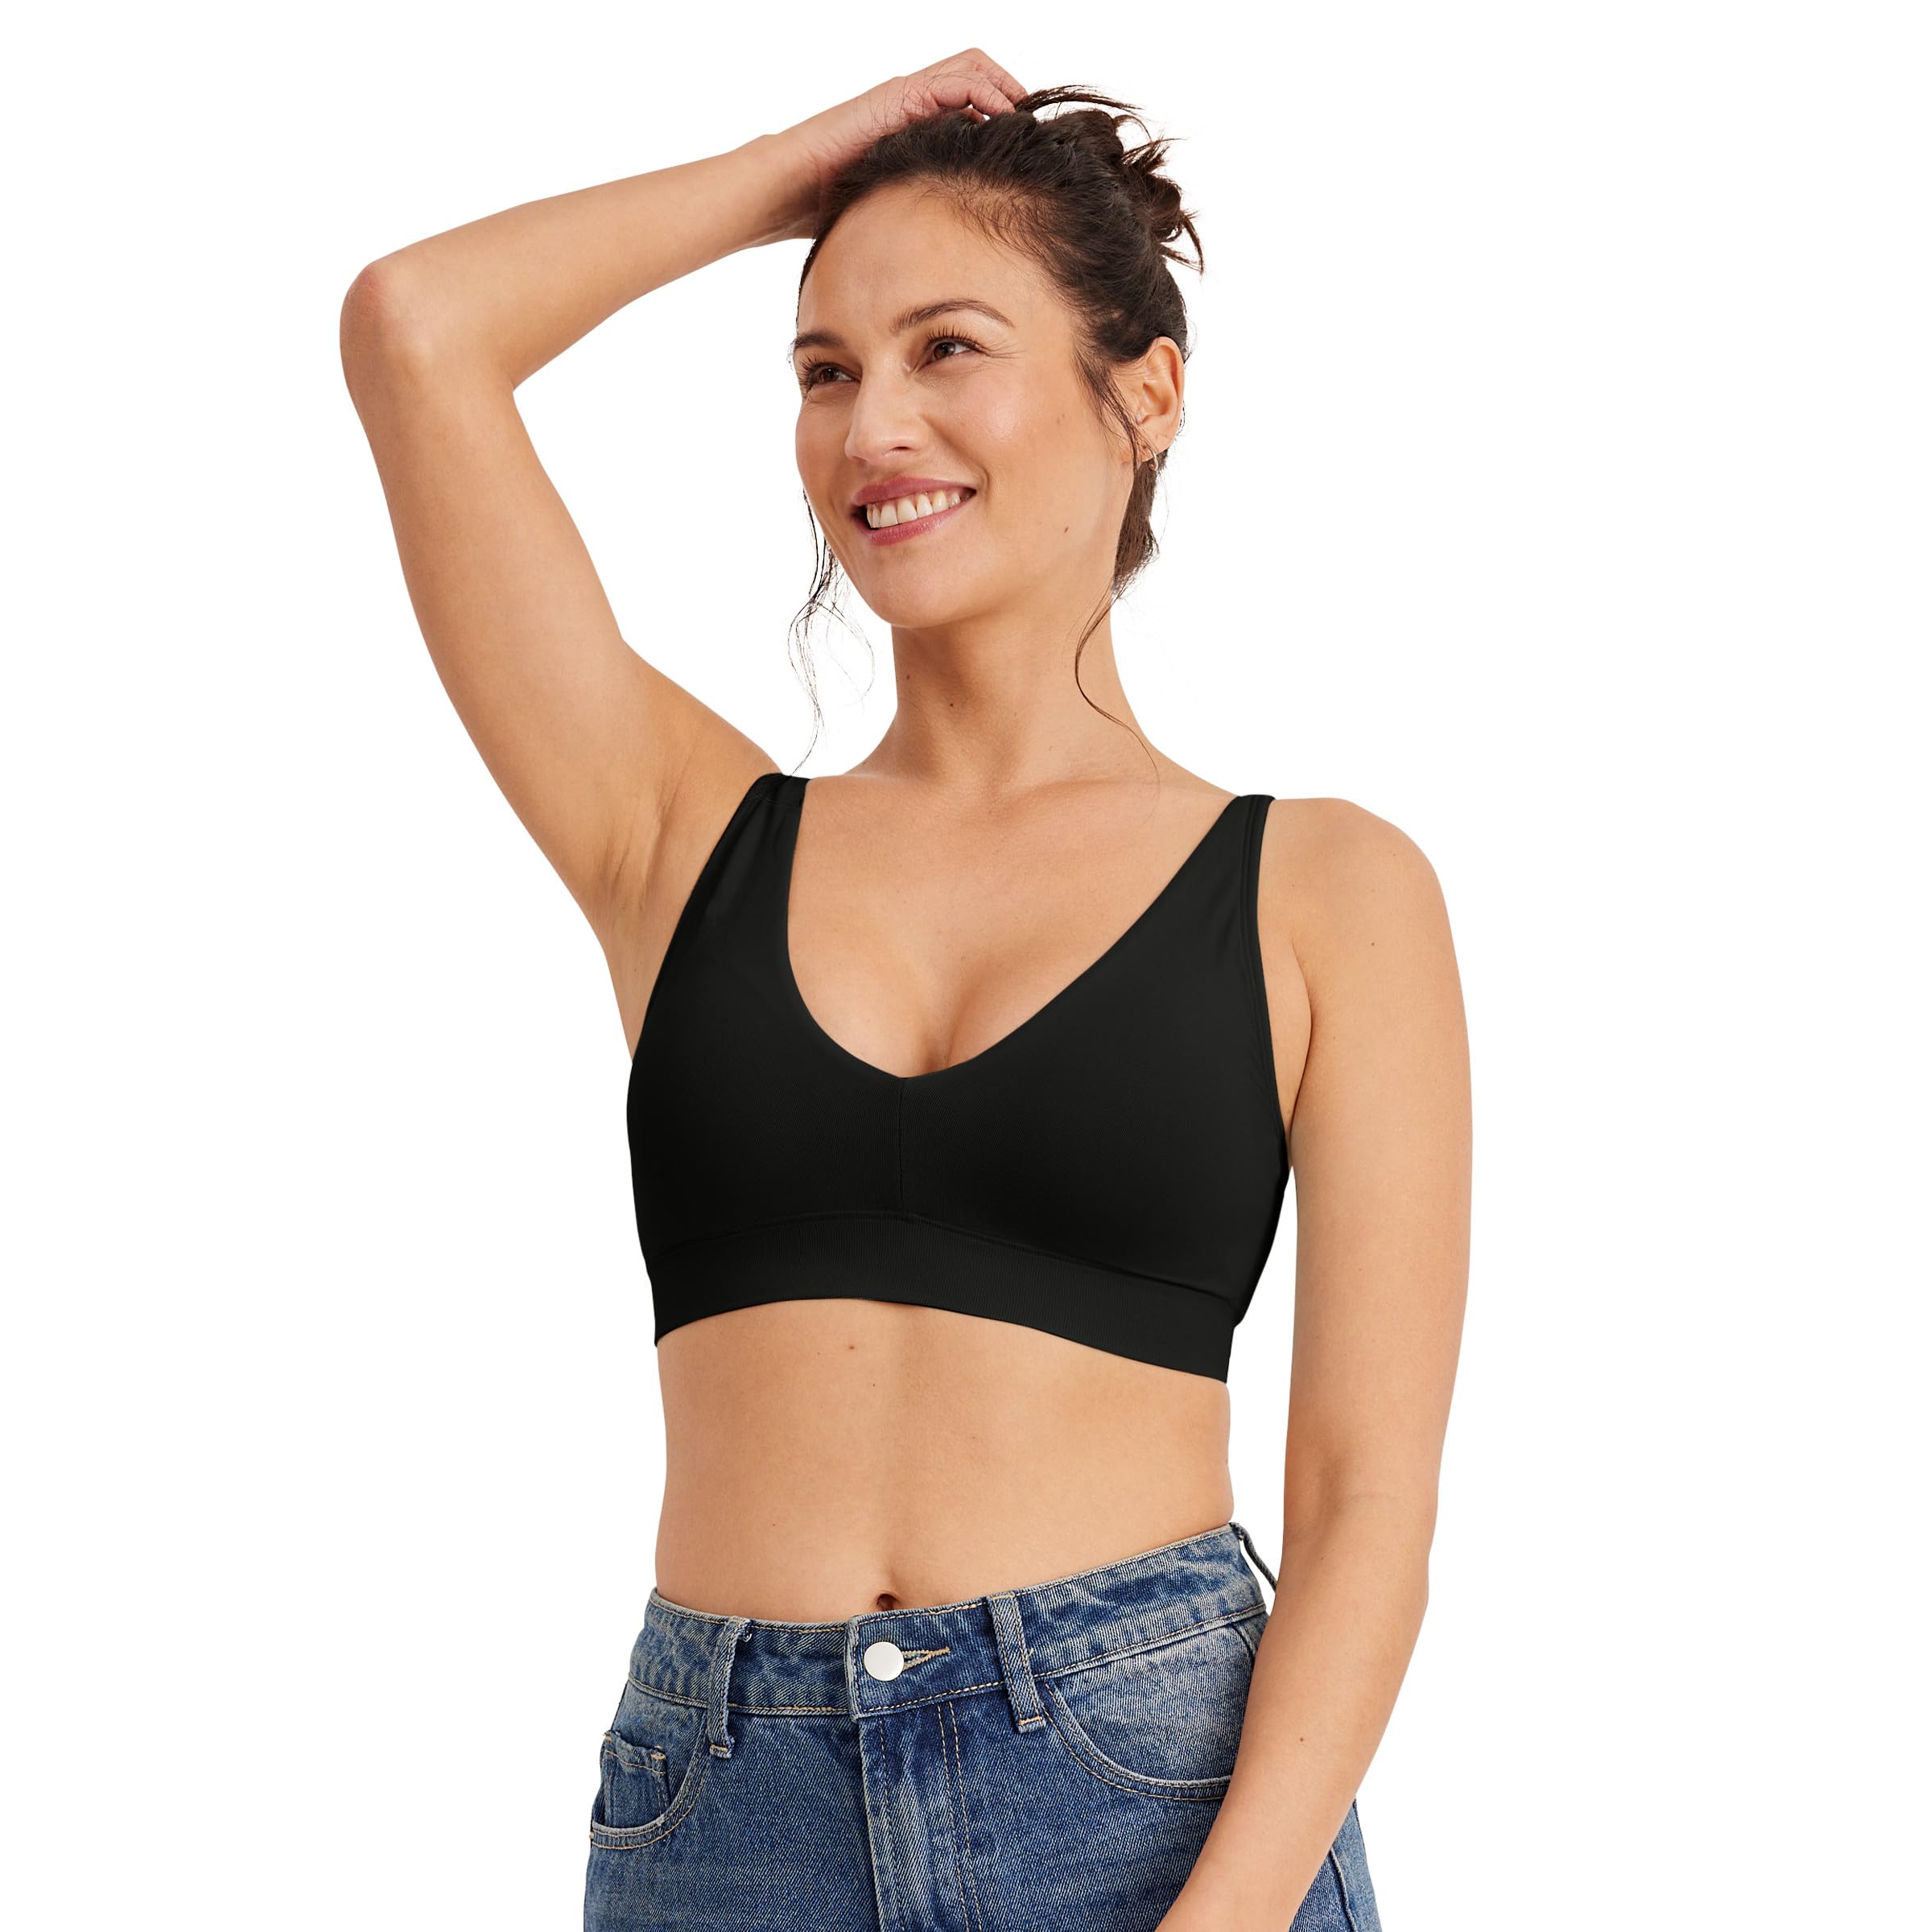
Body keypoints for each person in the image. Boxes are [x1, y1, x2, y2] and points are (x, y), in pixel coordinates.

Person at [340, 50, 1470, 1932]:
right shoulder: (680, 839)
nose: (874, 423)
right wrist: (808, 166)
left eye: (949, 347)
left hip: (1152, 1800)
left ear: (1146, 391)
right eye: (825, 368)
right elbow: (416, 328)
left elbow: (1366, 1503)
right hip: (730, 1813)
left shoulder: (1325, 891)